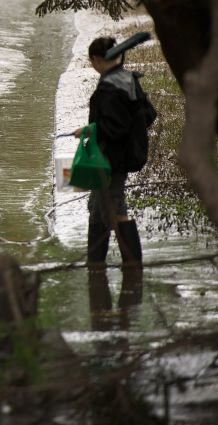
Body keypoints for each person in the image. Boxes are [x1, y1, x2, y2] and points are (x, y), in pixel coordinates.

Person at [75, 36, 145, 267]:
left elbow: (115, 127)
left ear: (96, 59)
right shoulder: (127, 79)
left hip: (111, 159)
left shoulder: (110, 87)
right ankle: (95, 264)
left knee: (115, 207)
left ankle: (133, 266)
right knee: (97, 208)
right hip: (120, 155)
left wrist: (90, 129)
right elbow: (146, 116)